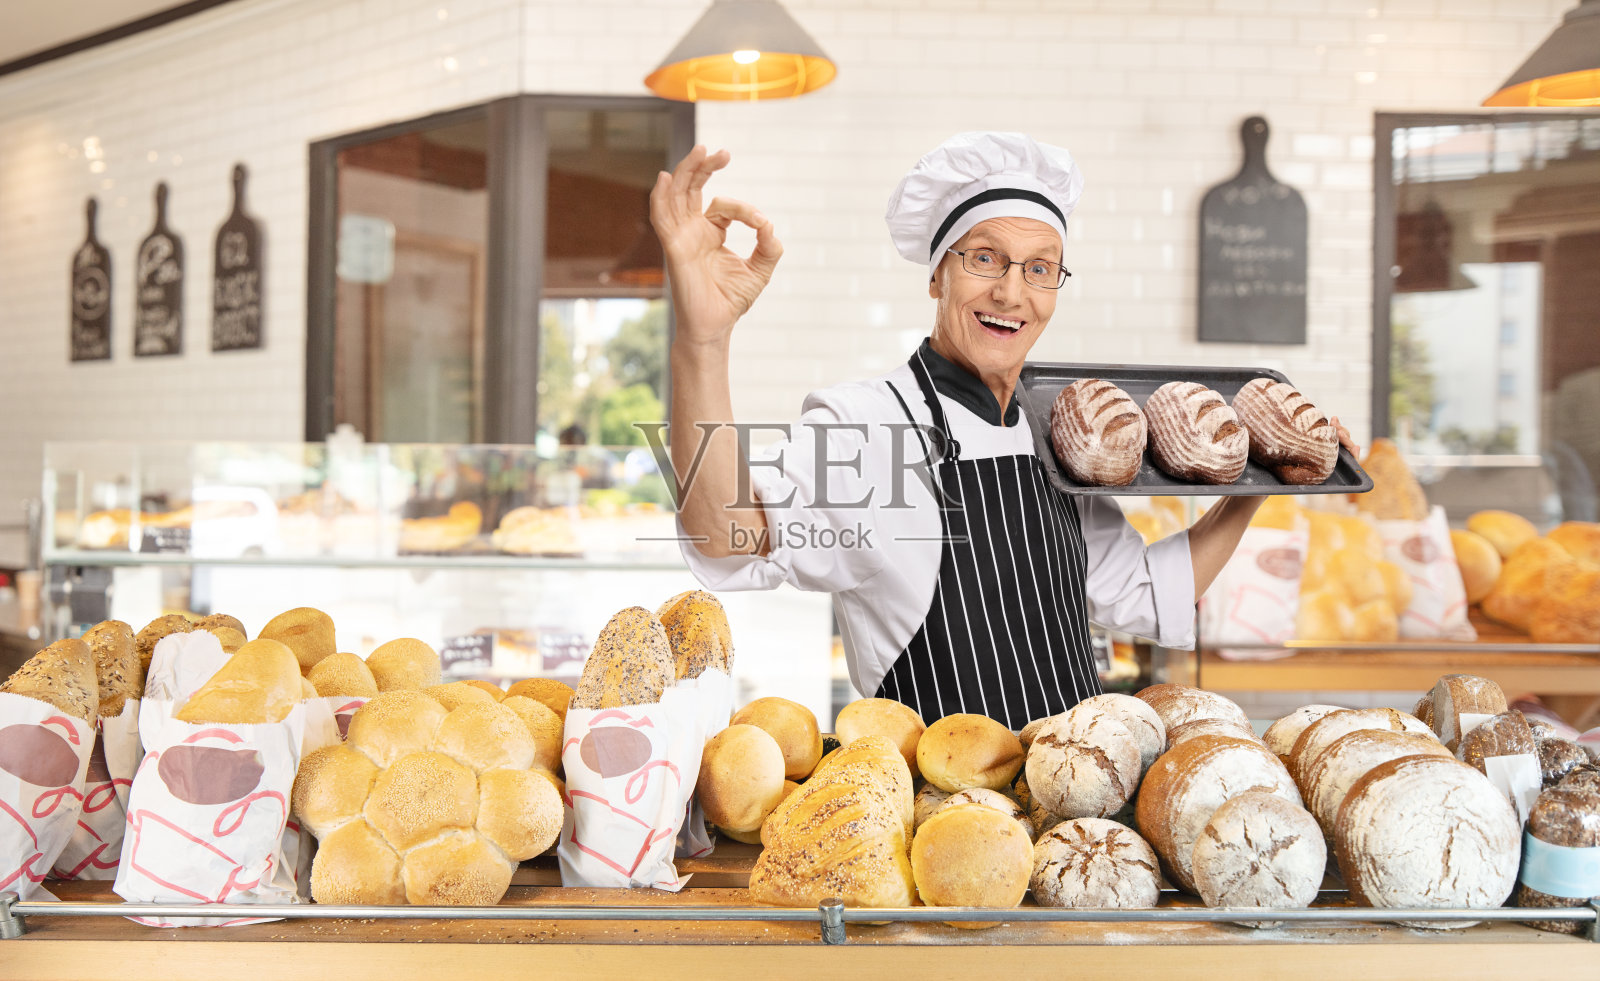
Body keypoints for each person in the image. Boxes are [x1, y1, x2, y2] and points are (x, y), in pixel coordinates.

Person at [651, 132, 1356, 729]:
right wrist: (702, 343)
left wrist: (1257, 481)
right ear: (938, 275)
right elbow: (727, 537)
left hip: (1075, 820)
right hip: (938, 834)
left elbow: (1143, 591)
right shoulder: (868, 427)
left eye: (1040, 268)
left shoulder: (1058, 428)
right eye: (984, 257)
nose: (1011, 291)